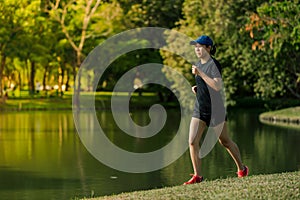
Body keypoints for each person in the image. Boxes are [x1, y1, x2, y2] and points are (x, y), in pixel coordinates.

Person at [183, 35, 249, 185]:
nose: (197, 49)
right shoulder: (198, 64)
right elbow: (207, 86)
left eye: (200, 46)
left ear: (208, 48)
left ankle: (242, 168)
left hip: (216, 109)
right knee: (192, 141)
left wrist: (200, 74)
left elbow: (217, 86)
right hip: (200, 108)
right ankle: (198, 176)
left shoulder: (214, 64)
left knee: (224, 141)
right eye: (195, 47)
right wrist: (198, 90)